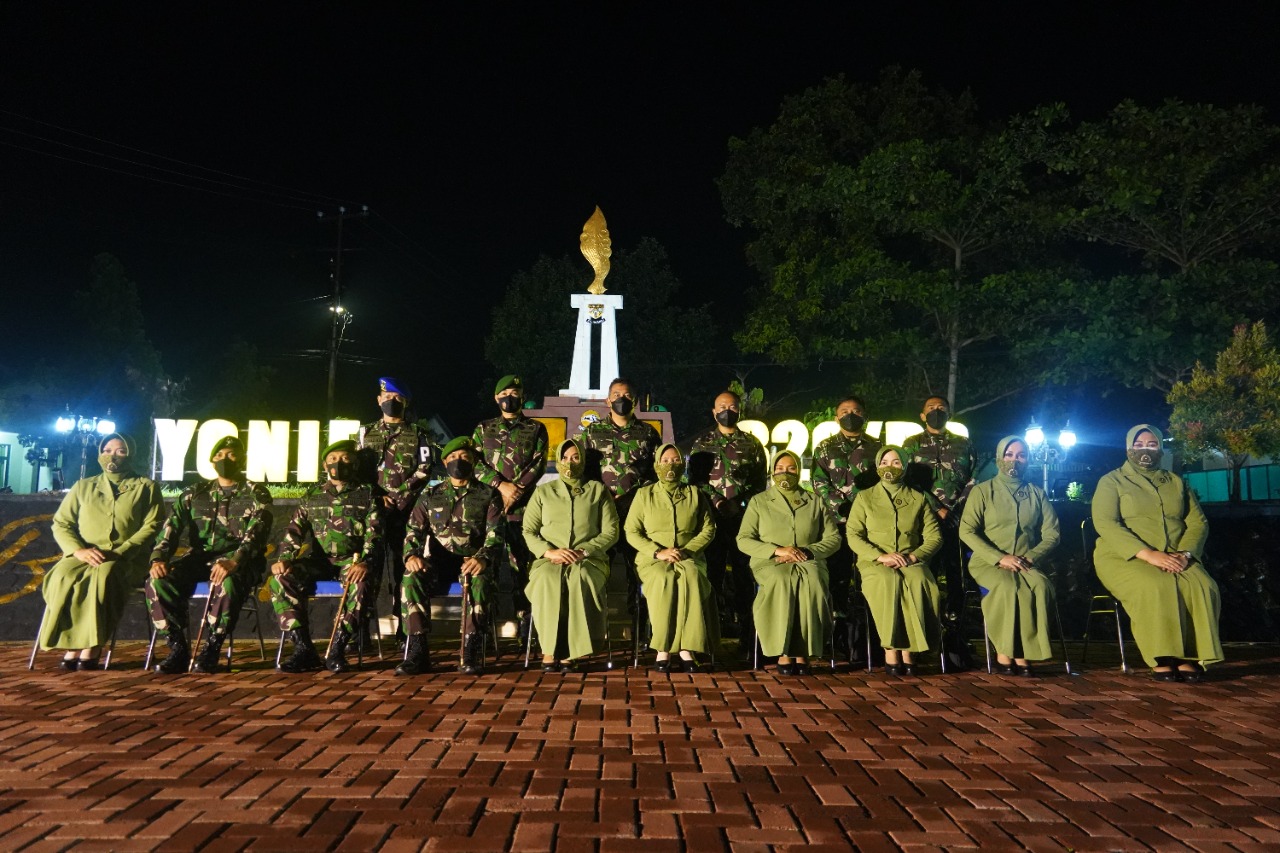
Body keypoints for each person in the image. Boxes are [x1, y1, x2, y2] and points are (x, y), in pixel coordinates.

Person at [1092, 424, 1222, 682]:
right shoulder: (1112, 481)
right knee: (1156, 585)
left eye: (1152, 445)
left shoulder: (1175, 482)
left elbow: (1197, 522)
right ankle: (1163, 656)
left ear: (1161, 448)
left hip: (1175, 555)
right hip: (1124, 557)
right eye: (1138, 445)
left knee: (1203, 585)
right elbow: (1106, 523)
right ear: (1128, 448)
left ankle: (1191, 655)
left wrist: (1185, 554)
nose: (1145, 450)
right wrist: (1148, 554)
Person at [147, 435, 273, 674]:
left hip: (240, 562)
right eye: (220, 455)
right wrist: (158, 558)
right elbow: (170, 528)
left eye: (232, 454)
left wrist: (234, 561)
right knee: (158, 581)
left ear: (242, 459)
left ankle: (212, 647)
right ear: (211, 460)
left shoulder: (256, 493)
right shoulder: (195, 493)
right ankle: (177, 647)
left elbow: (257, 533)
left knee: (228, 581)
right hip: (199, 559)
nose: (225, 459)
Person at [39, 433, 165, 670]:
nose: (112, 455)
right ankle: (72, 644)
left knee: (104, 576)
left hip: (126, 558)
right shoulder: (83, 486)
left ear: (131, 454)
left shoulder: (146, 487)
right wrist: (78, 551)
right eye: (107, 450)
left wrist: (122, 550)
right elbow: (61, 523)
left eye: (120, 450)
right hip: (83, 554)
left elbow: (153, 524)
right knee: (61, 577)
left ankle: (92, 645)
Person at [269, 439, 385, 674]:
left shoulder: (368, 493)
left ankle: (338, 648)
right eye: (333, 459)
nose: (338, 463)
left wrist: (365, 561)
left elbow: (375, 534)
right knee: (280, 580)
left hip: (352, 562)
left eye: (345, 459)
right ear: (325, 465)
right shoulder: (313, 496)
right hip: (320, 562)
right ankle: (303, 648)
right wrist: (285, 558)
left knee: (360, 584)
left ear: (354, 464)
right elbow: (294, 530)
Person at [398, 437, 504, 676]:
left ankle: (471, 650)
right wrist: (411, 556)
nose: (459, 462)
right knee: (411, 577)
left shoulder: (489, 494)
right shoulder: (430, 495)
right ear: (445, 461)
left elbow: (496, 534)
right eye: (453, 458)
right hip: (439, 564)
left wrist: (483, 558)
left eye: (465, 457)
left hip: (474, 562)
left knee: (479, 581)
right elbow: (413, 530)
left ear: (475, 461)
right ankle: (417, 650)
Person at [959, 436, 1061, 676]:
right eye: (1009, 454)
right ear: (999, 457)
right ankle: (1004, 652)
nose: (1014, 459)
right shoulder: (983, 491)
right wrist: (999, 558)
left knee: (1040, 585)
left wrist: (1033, 556)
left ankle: (1026, 652)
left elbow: (1052, 533)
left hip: (1025, 561)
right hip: (988, 562)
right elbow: (967, 530)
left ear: (1028, 460)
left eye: (1021, 455)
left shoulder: (1036, 493)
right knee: (1007, 587)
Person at [737, 450, 841, 675]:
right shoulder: (759, 501)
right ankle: (782, 650)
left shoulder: (814, 500)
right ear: (773, 472)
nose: (785, 473)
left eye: (791, 468)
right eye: (780, 469)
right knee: (781, 581)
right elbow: (743, 539)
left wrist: (808, 551)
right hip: (771, 562)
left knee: (812, 581)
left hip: (808, 560)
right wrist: (776, 550)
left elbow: (833, 538)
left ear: (799, 470)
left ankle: (805, 650)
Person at [522, 439, 620, 671]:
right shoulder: (544, 492)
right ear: (558, 460)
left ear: (583, 461)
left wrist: (584, 551)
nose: (570, 462)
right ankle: (549, 649)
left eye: (575, 457)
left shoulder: (597, 491)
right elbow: (528, 530)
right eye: (565, 457)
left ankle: (571, 651)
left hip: (588, 560)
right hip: (549, 559)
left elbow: (611, 530)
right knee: (547, 579)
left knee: (579, 578)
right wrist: (549, 551)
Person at [847, 446, 943, 676]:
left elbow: (934, 536)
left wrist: (913, 556)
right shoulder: (864, 497)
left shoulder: (918, 498)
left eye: (896, 462)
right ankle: (891, 649)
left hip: (910, 559)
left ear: (905, 466)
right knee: (888, 582)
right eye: (884, 462)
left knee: (921, 581)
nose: (890, 467)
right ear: (877, 466)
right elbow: (853, 535)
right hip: (875, 561)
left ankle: (911, 650)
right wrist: (880, 556)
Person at [357, 377, 439, 642]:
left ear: (405, 402)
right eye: (387, 397)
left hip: (406, 513)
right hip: (373, 514)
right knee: (370, 567)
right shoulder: (363, 434)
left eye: (397, 399)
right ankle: (360, 629)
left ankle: (406, 628)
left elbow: (424, 470)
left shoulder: (420, 435)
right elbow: (358, 471)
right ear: (378, 400)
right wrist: (378, 496)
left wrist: (397, 496)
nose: (391, 402)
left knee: (405, 566)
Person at [625, 443, 717, 672]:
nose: (670, 465)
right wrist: (657, 551)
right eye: (665, 460)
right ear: (657, 464)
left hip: (688, 555)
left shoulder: (694, 493)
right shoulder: (644, 495)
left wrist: (688, 550)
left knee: (692, 577)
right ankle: (662, 649)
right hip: (652, 558)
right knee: (662, 579)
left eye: (675, 460)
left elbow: (708, 528)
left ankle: (688, 648)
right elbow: (631, 531)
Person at [471, 374, 549, 637]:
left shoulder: (536, 428)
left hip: (523, 512)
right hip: (490, 511)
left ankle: (527, 624)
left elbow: (538, 463)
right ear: (496, 398)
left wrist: (515, 491)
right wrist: (500, 486)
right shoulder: (484, 429)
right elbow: (475, 464)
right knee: (487, 568)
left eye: (515, 392)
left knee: (523, 570)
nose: (509, 397)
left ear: (522, 397)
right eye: (504, 393)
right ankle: (483, 628)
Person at [902, 395, 977, 665]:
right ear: (922, 415)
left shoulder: (963, 443)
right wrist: (937, 507)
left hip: (957, 522)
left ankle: (955, 638)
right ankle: (924, 638)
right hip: (925, 523)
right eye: (931, 409)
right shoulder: (910, 445)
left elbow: (972, 479)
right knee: (925, 578)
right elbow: (909, 481)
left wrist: (955, 509)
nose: (936, 412)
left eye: (941, 409)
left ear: (949, 414)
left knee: (957, 580)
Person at [688, 389, 767, 639]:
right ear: (713, 411)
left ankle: (746, 631)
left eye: (732, 407)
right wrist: (718, 502)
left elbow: (759, 483)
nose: (727, 411)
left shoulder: (752, 444)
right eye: (721, 407)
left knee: (744, 574)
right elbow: (695, 481)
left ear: (739, 410)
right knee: (712, 573)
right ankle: (712, 628)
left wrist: (739, 504)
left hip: (743, 521)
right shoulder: (702, 443)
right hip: (712, 520)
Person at [809, 395, 881, 656]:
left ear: (865, 415)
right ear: (836, 417)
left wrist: (861, 509)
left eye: (856, 410)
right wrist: (841, 505)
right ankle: (837, 636)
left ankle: (867, 637)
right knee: (837, 579)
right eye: (845, 411)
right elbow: (819, 482)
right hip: (837, 524)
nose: (851, 415)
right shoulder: (825, 448)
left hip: (869, 527)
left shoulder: (879, 448)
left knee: (867, 579)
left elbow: (885, 484)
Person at [581, 377, 660, 616]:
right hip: (602, 511)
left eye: (626, 396)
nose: (621, 399)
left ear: (634, 401)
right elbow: (585, 471)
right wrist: (603, 496)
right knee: (598, 563)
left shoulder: (647, 433)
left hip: (635, 511)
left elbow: (655, 472)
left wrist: (629, 497)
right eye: (616, 395)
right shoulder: (593, 432)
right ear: (607, 400)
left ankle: (638, 619)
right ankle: (597, 618)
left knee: (636, 566)